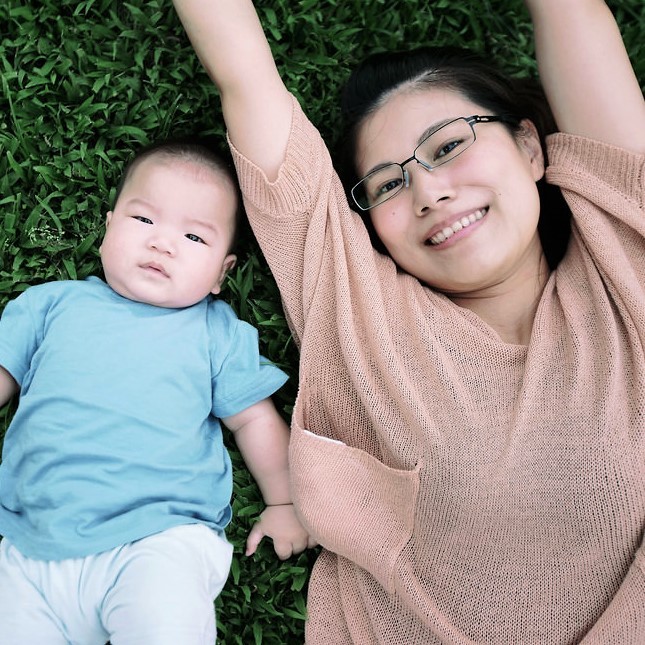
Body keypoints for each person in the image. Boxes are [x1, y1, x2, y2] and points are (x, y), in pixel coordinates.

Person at [172, 0, 645, 642]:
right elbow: (244, 76)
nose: (428, 192)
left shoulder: (627, 263)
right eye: (388, 186)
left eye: (449, 145)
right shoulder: (358, 310)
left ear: (531, 147)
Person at [0, 137, 313, 644]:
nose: (161, 243)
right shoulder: (49, 306)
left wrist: (283, 502)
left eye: (194, 238)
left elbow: (254, 419)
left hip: (159, 539)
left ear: (221, 274)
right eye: (143, 221)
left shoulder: (216, 332)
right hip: (30, 544)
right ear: (107, 229)